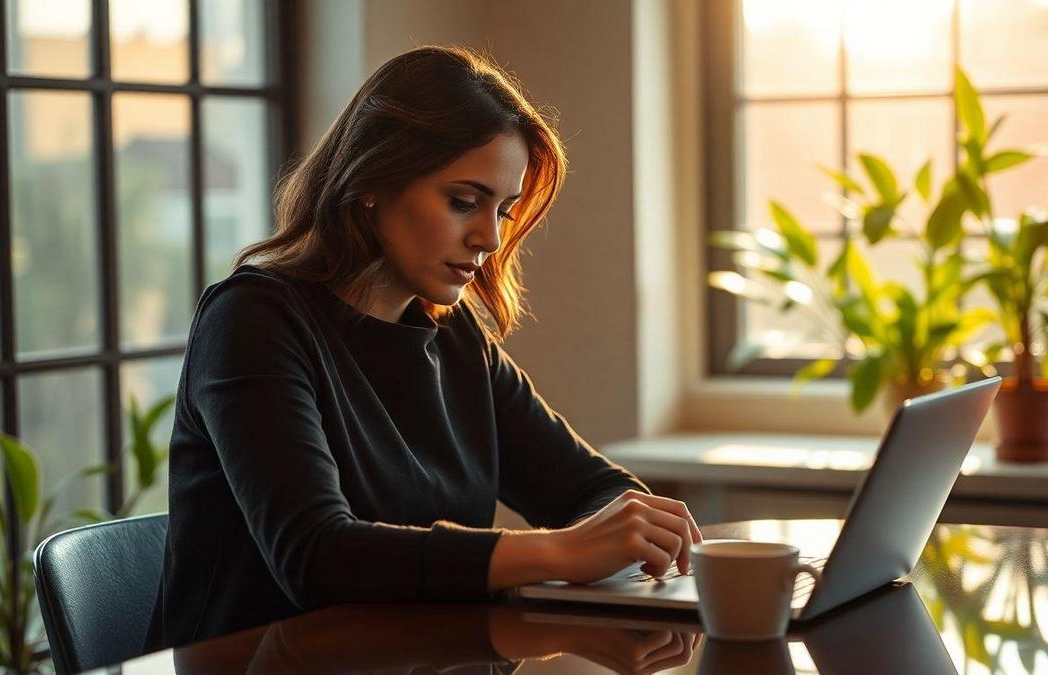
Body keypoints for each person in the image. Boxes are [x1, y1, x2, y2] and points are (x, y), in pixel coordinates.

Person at [145, 45, 703, 651]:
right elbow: (316, 556)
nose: (489, 237)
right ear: (373, 181)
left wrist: (633, 528)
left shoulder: (455, 336)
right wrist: (562, 552)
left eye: (503, 209)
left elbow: (590, 489)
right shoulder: (252, 320)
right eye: (464, 201)